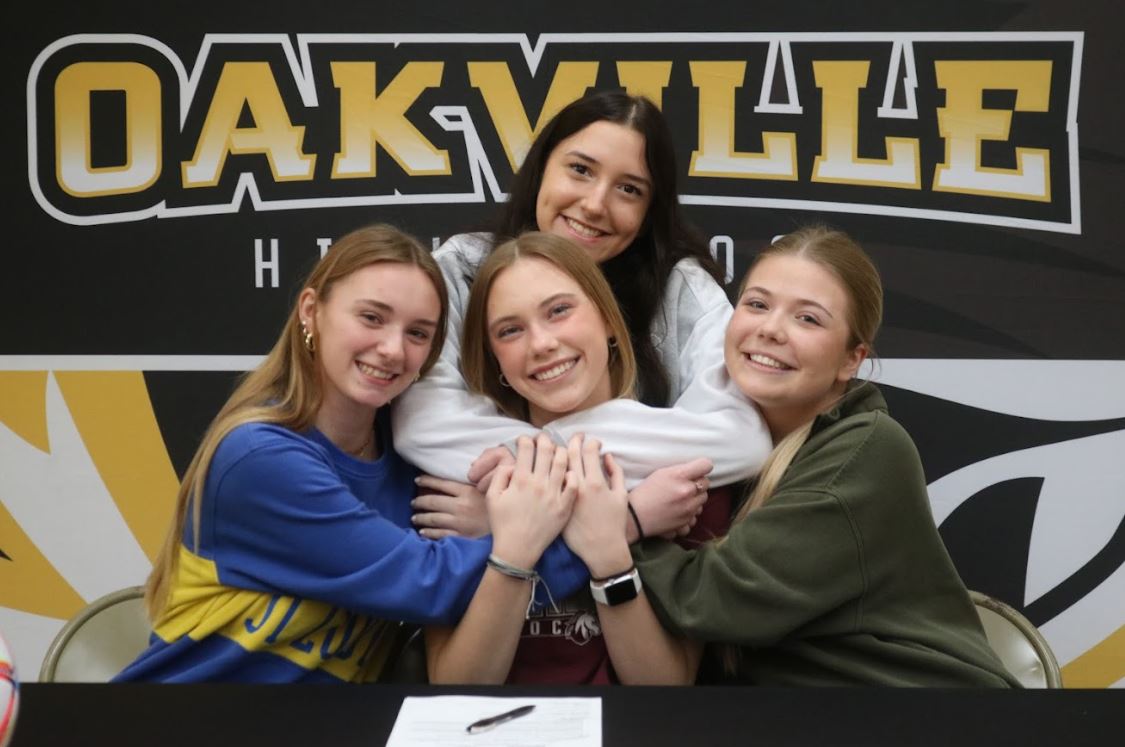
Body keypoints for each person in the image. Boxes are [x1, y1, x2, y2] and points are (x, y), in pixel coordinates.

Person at [114, 225, 585, 683]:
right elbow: (432, 584)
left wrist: (501, 517)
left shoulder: (407, 455)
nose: (392, 349)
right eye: (372, 318)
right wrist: (613, 527)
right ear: (310, 311)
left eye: (418, 333)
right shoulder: (259, 458)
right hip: (176, 723)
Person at [560, 227, 1021, 687]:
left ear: (850, 359)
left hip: (944, 720)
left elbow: (713, 601)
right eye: (757, 304)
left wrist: (625, 525)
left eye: (808, 319)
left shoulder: (867, 449)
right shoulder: (716, 448)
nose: (770, 329)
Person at [394, 90, 770, 541]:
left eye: (629, 189)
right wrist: (622, 499)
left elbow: (738, 441)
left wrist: (521, 499)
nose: (594, 204)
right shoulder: (462, 268)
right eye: (580, 170)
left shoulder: (677, 286)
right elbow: (426, 430)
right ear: (541, 168)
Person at [424, 232, 731, 684]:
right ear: (495, 360)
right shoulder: (463, 478)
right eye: (510, 330)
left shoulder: (682, 477)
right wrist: (517, 546)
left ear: (608, 319)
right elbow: (454, 685)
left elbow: (666, 684)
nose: (542, 343)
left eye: (559, 311)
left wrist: (609, 551)